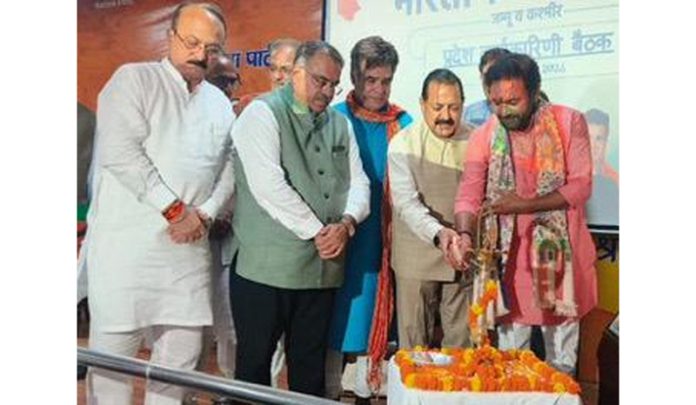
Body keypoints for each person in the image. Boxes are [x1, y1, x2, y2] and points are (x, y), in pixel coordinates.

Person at [83, 3, 235, 404]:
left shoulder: (219, 104)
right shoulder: (133, 80)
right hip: (124, 259)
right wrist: (175, 210)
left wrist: (204, 213)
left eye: (212, 47)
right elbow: (119, 152)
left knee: (177, 373)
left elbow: (230, 167)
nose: (201, 54)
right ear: (169, 36)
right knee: (111, 374)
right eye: (192, 41)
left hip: (187, 260)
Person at [229, 40, 370, 397]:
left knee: (309, 373)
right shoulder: (261, 114)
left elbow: (360, 182)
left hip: (321, 272)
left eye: (333, 84)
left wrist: (348, 224)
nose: (327, 90)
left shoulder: (340, 122)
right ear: (296, 74)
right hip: (265, 271)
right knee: (254, 370)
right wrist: (322, 233)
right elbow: (269, 187)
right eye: (319, 81)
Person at [454, 53, 598, 376]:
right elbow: (469, 192)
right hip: (509, 265)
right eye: (496, 102)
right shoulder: (485, 135)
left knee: (560, 369)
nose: (504, 110)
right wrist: (464, 234)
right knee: (511, 367)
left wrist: (522, 205)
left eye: (513, 101)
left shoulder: (568, 121)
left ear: (534, 92)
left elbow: (580, 187)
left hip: (562, 264)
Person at [325, 35, 412, 403]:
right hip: (339, 235)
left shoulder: (403, 122)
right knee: (331, 319)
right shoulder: (333, 117)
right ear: (356, 79)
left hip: (384, 238)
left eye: (386, 81)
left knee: (371, 318)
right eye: (371, 80)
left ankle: (364, 390)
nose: (378, 89)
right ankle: (327, 391)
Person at [388, 68, 475, 350]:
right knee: (414, 347)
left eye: (454, 107)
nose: (445, 116)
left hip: (464, 252)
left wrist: (464, 237)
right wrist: (440, 234)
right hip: (417, 254)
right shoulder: (403, 143)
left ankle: (456, 395)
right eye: (437, 107)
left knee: (462, 345)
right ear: (422, 104)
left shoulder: (477, 140)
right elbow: (405, 203)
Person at [234, 38, 301, 116]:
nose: (277, 76)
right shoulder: (249, 103)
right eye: (273, 69)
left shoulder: (312, 110)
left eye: (286, 70)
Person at [584, 108, 619, 225]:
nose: (593, 146)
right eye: (589, 137)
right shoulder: (568, 178)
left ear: (606, 143)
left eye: (599, 139)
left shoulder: (616, 182)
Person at [462, 47, 511, 127]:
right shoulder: (470, 115)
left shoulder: (525, 112)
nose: (490, 82)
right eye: (486, 76)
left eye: (496, 75)